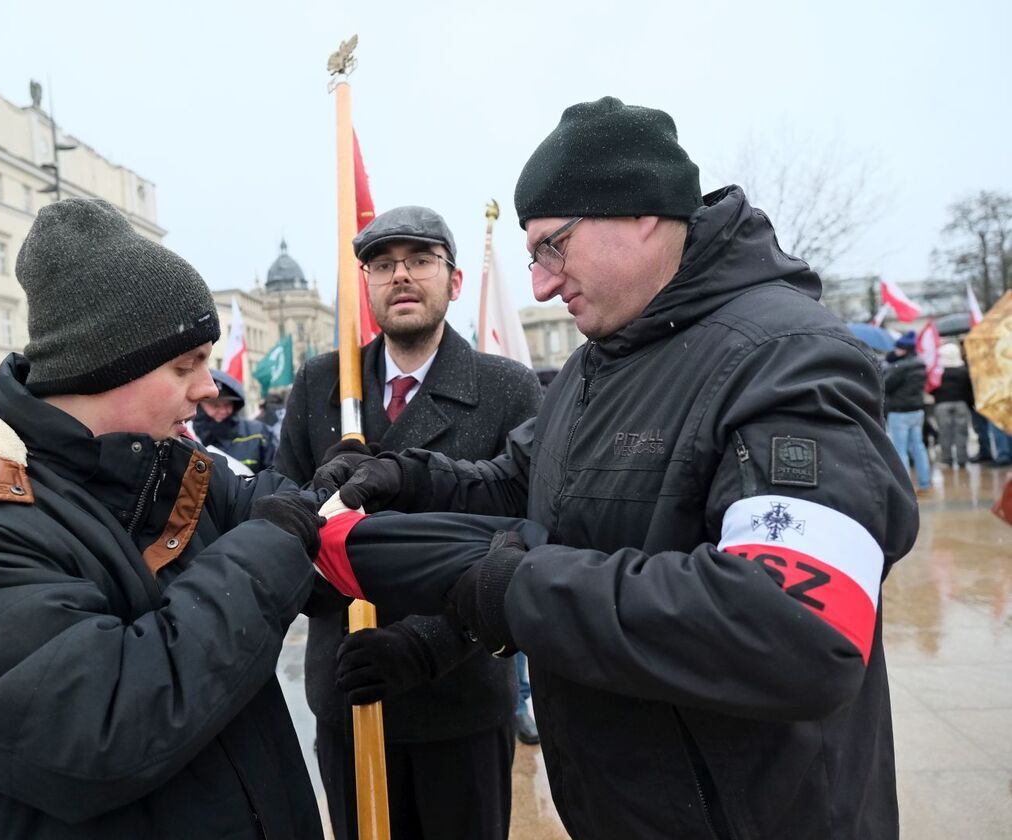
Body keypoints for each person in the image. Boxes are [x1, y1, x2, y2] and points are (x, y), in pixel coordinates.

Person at [315, 98, 918, 839]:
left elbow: (794, 627)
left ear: (640, 214)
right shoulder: (595, 364)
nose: (539, 283)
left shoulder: (786, 356)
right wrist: (404, 477)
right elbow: (522, 478)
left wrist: (512, 587)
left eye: (551, 248)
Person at [0, 198, 327, 839]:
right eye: (185, 366)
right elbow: (109, 727)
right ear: (105, 368)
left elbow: (306, 518)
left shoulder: (164, 468)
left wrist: (487, 575)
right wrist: (276, 541)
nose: (209, 388)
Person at [277, 205, 541, 840]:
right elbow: (281, 522)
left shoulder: (509, 388)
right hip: (349, 687)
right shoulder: (320, 386)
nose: (401, 276)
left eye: (421, 260)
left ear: (452, 281)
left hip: (460, 701)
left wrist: (429, 644)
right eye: (382, 264)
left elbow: (521, 539)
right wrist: (319, 507)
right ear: (364, 286)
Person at [192, 369, 276, 472]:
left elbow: (277, 475)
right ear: (199, 405)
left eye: (228, 404)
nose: (223, 411)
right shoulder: (186, 435)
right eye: (215, 405)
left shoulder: (259, 433)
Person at [885, 331, 933, 492]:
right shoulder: (920, 363)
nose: (895, 351)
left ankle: (905, 488)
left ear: (904, 349)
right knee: (918, 447)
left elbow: (885, 385)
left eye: (898, 348)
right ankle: (924, 483)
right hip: (917, 410)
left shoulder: (899, 366)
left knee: (900, 450)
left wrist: (890, 363)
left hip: (900, 412)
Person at [933, 342, 972, 467]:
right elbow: (969, 388)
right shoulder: (963, 371)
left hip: (942, 404)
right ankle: (962, 459)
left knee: (945, 433)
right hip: (961, 404)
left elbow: (932, 388)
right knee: (961, 433)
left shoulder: (938, 372)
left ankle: (947, 459)